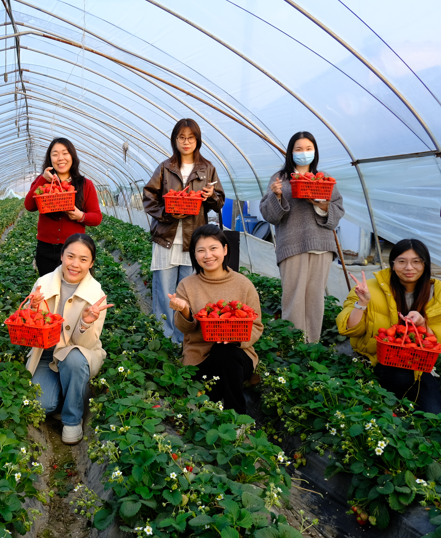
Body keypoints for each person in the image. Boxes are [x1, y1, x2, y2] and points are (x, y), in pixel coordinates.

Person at [337, 239, 441, 414]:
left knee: (436, 416)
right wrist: (362, 303)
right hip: (377, 360)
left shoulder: (438, 292)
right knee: (398, 380)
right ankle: (394, 407)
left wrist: (423, 325)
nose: (409, 268)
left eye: (416, 261)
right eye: (402, 261)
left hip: (418, 366)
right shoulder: (369, 289)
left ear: (425, 264)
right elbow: (349, 329)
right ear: (392, 263)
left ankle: (401, 406)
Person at [24, 234, 112, 445]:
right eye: (70, 256)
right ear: (62, 256)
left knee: (73, 359)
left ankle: (72, 420)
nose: (75, 264)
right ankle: (72, 391)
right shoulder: (43, 283)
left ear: (91, 263)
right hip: (46, 354)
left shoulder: (96, 294)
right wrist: (33, 308)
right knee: (42, 405)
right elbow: (31, 329)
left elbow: (87, 346)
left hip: (76, 353)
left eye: (83, 259)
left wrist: (85, 322)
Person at [143, 119, 225, 345]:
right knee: (164, 292)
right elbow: (149, 199)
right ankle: (163, 340)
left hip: (194, 240)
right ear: (175, 140)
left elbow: (219, 203)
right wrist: (168, 214)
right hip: (166, 238)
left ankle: (184, 341)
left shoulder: (207, 169)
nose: (186, 142)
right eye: (181, 137)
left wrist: (211, 197)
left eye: (190, 137)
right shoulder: (165, 168)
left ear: (197, 140)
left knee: (187, 292)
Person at [259, 131, 345, 343]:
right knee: (293, 297)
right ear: (291, 152)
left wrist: (322, 204)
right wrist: (277, 196)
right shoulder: (280, 179)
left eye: (308, 149)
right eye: (298, 149)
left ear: (314, 152)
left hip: (321, 244)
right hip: (292, 244)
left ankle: (312, 345)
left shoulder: (324, 179)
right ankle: (293, 345)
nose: (303, 153)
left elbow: (337, 212)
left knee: (315, 297)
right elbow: (269, 215)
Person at [171, 225, 264, 414]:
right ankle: (216, 406)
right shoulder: (187, 285)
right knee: (217, 375)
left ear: (225, 249)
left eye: (213, 248)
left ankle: (236, 416)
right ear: (194, 255)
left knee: (225, 351)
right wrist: (185, 311)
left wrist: (236, 338)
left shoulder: (243, 284)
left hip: (238, 354)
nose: (208, 255)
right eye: (201, 250)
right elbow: (185, 330)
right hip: (199, 356)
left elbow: (256, 326)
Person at [24, 138, 102, 276]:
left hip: (74, 250)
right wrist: (44, 179)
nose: (60, 158)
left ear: (72, 156)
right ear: (50, 159)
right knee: (49, 292)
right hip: (46, 248)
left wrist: (81, 216)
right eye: (55, 154)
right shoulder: (42, 182)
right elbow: (29, 206)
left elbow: (96, 217)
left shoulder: (85, 184)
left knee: (73, 293)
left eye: (65, 153)